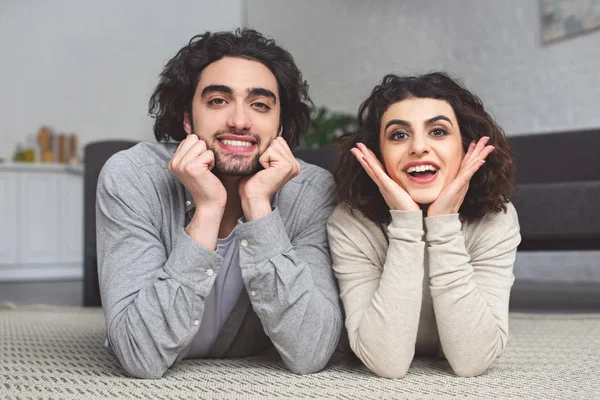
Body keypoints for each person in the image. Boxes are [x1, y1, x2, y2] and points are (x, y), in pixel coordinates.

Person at [96, 29, 342, 379]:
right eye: (217, 101)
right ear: (186, 118)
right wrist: (208, 209)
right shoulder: (132, 177)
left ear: (281, 125)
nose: (239, 121)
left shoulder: (311, 191)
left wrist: (259, 206)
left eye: (260, 105)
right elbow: (141, 355)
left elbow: (310, 352)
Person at [327, 72, 520, 378]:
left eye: (438, 132)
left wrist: (442, 226)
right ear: (377, 154)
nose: (418, 147)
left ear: (466, 146)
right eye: (399, 135)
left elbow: (472, 361)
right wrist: (406, 224)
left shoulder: (496, 218)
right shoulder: (351, 223)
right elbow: (386, 362)